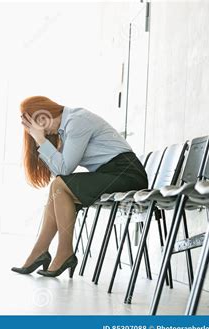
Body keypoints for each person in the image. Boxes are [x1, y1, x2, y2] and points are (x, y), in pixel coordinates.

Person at [11, 96, 148, 278]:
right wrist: (41, 141)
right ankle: (40, 251)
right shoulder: (66, 130)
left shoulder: (77, 121)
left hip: (127, 174)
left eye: (34, 127)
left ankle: (63, 252)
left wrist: (40, 140)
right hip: (109, 173)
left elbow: (64, 169)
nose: (37, 132)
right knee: (57, 187)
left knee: (60, 186)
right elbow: (59, 171)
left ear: (43, 118)